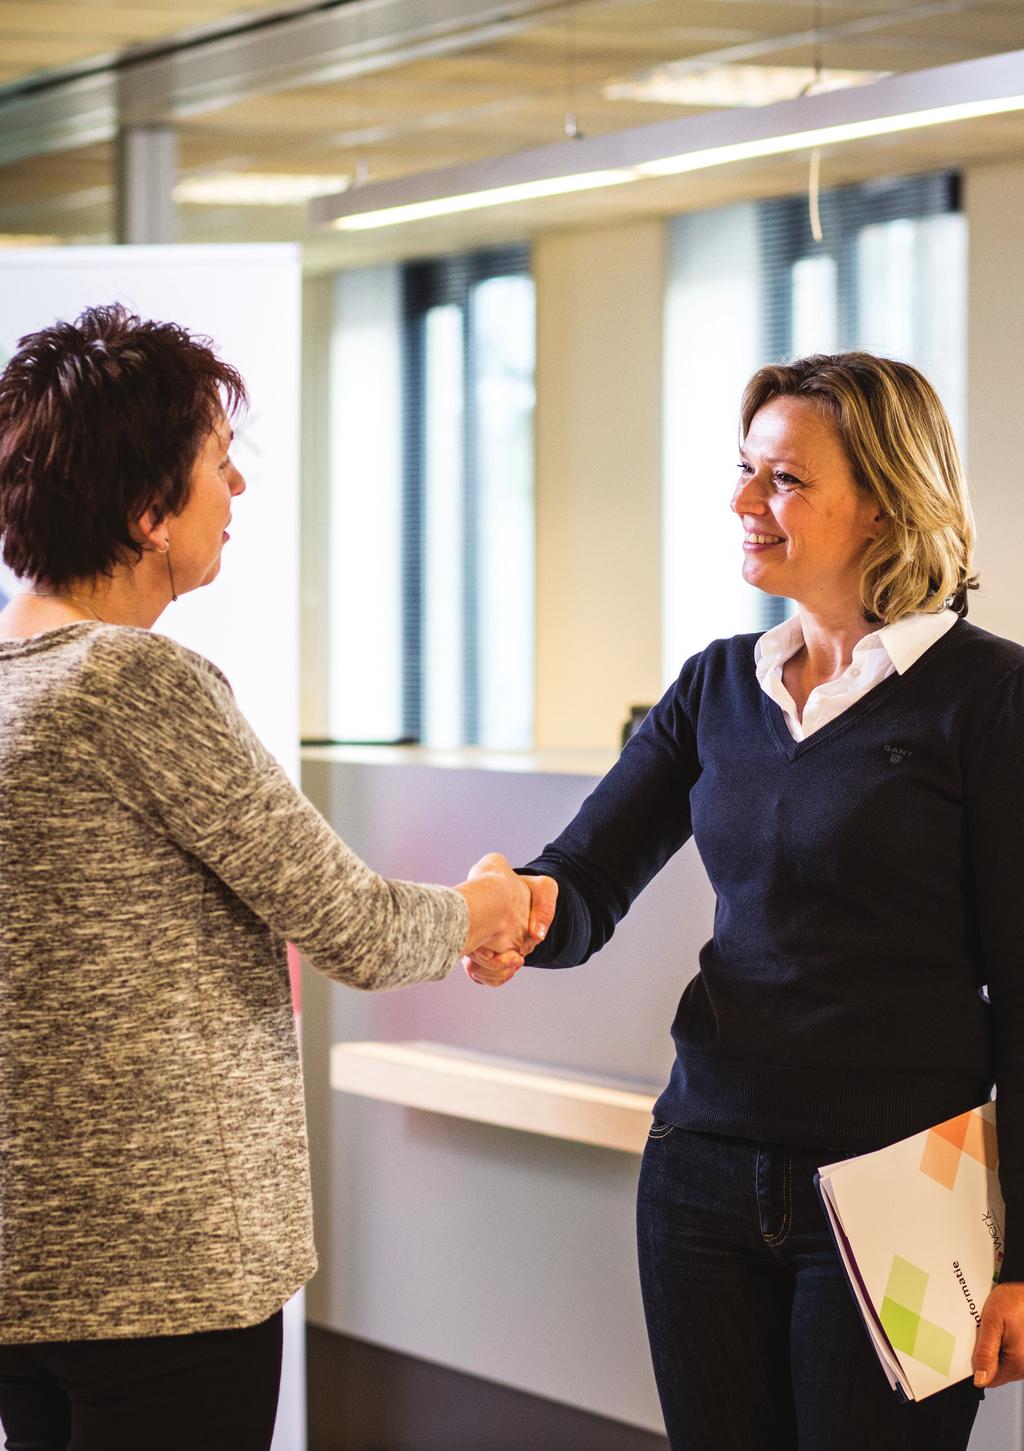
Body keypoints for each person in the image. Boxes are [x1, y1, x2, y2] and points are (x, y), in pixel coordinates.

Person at [0, 303, 551, 1451]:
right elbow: (351, 923)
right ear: (149, 512)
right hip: (163, 1273)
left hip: (29, 1264)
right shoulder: (134, 686)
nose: (237, 488)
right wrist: (489, 905)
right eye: (216, 462)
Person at [466, 352, 1024, 1450]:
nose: (741, 504)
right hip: (702, 1176)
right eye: (743, 472)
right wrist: (515, 903)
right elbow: (583, 880)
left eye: (782, 480)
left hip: (902, 1186)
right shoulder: (718, 683)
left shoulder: (989, 697)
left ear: (881, 500)